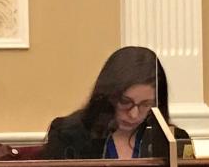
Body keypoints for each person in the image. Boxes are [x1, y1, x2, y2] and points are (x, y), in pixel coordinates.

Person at [41, 46, 189, 160]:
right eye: (125, 102)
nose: (134, 114)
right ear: (108, 96)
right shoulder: (68, 135)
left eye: (145, 104)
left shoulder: (173, 140)